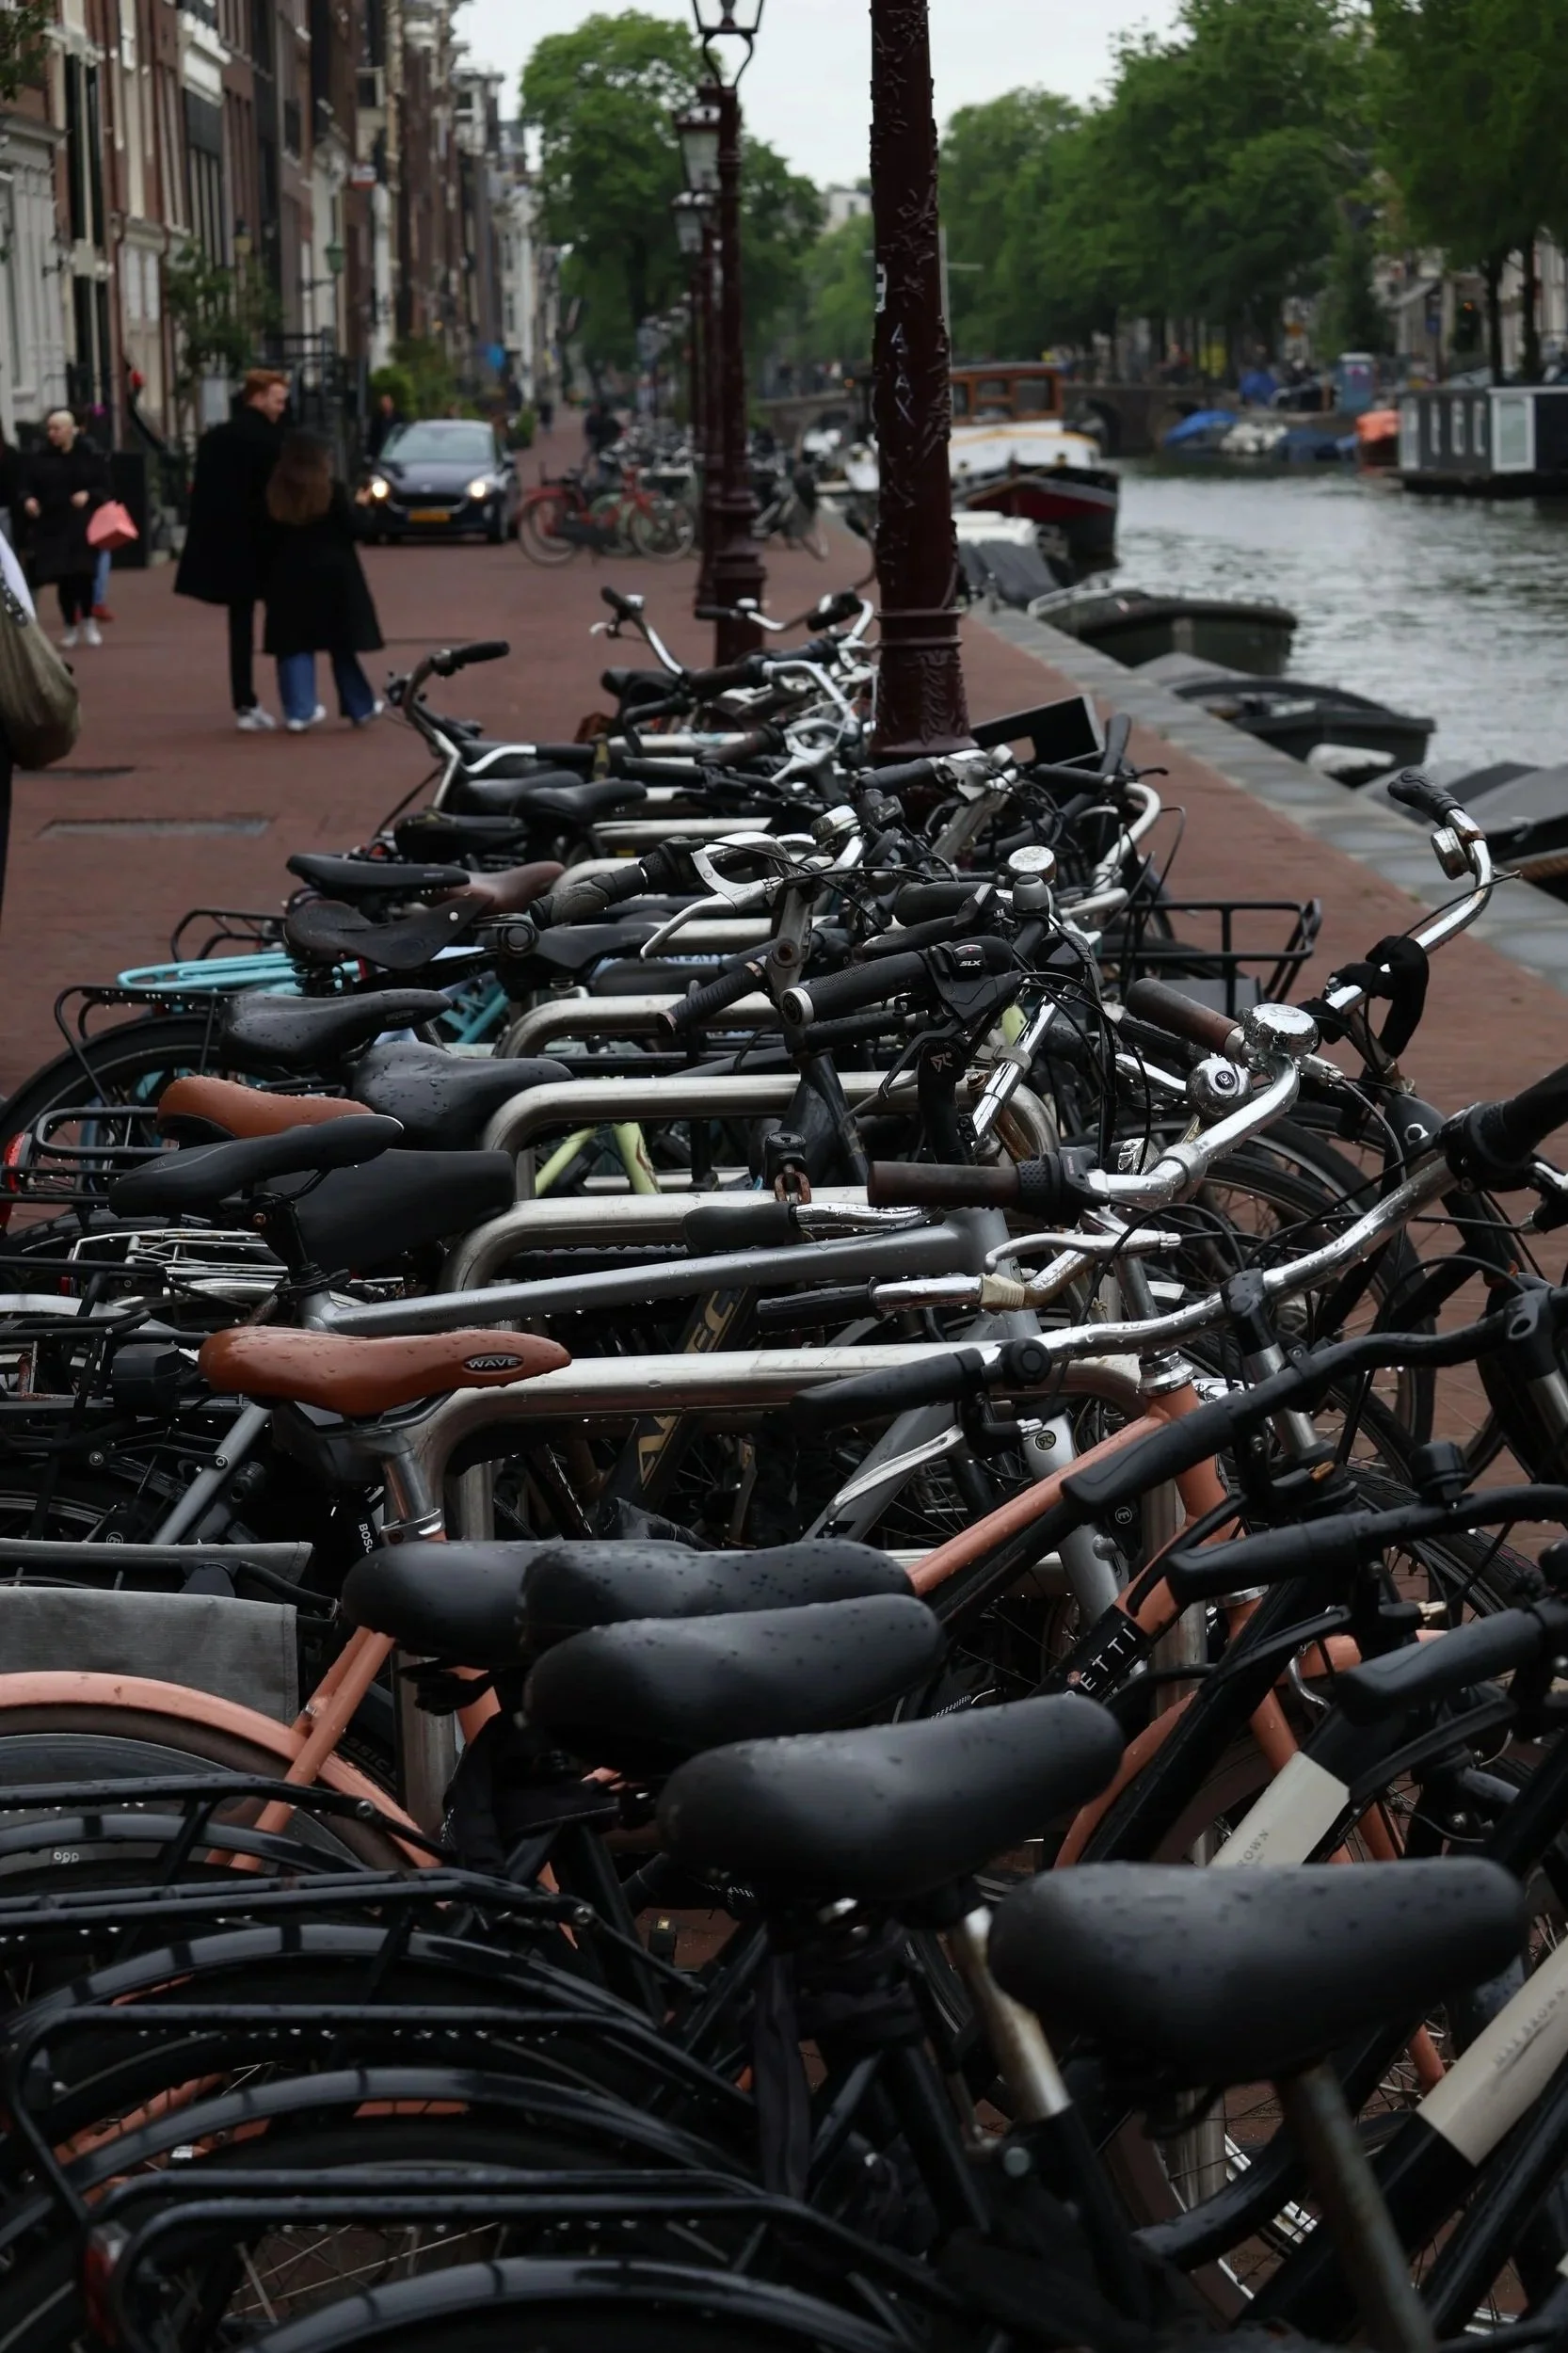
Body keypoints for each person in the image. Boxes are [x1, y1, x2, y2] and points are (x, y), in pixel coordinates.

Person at [174, 366, 288, 730]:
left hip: (230, 546)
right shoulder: (274, 441)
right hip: (270, 544)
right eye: (276, 400)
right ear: (256, 397)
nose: (281, 408)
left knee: (240, 626)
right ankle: (297, 701)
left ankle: (244, 700)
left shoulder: (215, 440)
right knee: (288, 620)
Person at [261, 431, 384, 733]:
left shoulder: (274, 493)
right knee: (342, 644)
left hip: (287, 576)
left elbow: (262, 538)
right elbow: (356, 529)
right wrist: (364, 505)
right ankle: (360, 705)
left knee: (293, 643)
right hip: (333, 576)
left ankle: (299, 710)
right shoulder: (333, 491)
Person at [21, 409, 109, 648]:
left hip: (82, 524)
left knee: (84, 575)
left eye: (56, 428)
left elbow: (103, 486)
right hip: (53, 524)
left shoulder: (88, 454)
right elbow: (27, 485)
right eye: (49, 428)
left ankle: (88, 621)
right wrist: (29, 500)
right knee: (64, 578)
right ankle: (70, 625)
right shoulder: (41, 457)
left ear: (71, 430)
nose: (52, 433)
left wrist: (89, 495)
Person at [364, 389, 403, 461]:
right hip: (381, 450)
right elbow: (373, 437)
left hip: (395, 448)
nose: (386, 405)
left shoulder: (399, 417)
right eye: (384, 403)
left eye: (388, 402)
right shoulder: (377, 419)